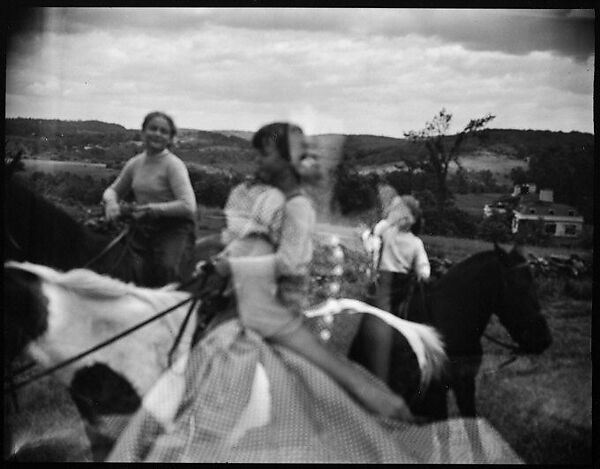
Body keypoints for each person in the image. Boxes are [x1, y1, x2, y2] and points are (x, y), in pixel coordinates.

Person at [107, 123, 522, 464]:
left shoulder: (299, 207)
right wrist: (220, 257)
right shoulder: (271, 200)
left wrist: (231, 266)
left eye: (264, 154)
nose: (258, 162)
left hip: (280, 309)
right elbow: (248, 238)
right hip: (249, 302)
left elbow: (290, 262)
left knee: (224, 376)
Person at [102, 112, 197, 287]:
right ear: (143, 132)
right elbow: (112, 191)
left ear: (170, 138)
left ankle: (170, 306)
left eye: (164, 131)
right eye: (153, 128)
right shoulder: (135, 163)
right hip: (143, 226)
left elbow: (188, 206)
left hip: (174, 228)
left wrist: (151, 209)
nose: (157, 134)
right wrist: (112, 204)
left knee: (166, 268)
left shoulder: (173, 165)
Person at [362, 184, 431, 383]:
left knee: (413, 307)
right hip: (383, 279)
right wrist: (389, 220)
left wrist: (424, 272)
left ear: (415, 219)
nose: (404, 219)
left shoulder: (415, 242)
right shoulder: (387, 232)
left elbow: (422, 262)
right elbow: (378, 230)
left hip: (403, 282)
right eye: (400, 214)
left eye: (409, 215)